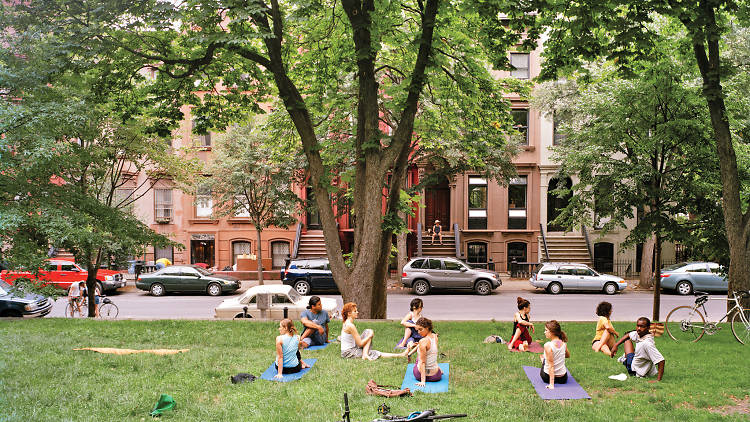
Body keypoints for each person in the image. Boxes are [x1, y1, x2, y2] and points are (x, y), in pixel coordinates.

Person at [340, 302, 407, 360]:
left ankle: (365, 354)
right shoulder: (350, 326)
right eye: (355, 311)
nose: (357, 312)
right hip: (349, 353)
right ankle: (400, 355)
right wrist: (369, 336)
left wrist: (369, 334)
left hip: (350, 348)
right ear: (349, 313)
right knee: (375, 352)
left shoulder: (347, 322)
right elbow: (360, 343)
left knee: (368, 331)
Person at [610, 317, 665, 382]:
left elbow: (661, 361)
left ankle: (625, 359)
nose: (639, 328)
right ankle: (625, 358)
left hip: (634, 370)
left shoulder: (647, 344)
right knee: (627, 337)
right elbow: (628, 335)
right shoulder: (639, 334)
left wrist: (658, 380)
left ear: (648, 328)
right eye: (638, 326)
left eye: (642, 326)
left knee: (627, 344)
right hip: (637, 362)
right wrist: (616, 345)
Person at [539, 320, 570, 389]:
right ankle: (545, 358)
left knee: (544, 358)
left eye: (546, 330)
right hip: (562, 378)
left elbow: (551, 365)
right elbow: (568, 356)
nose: (544, 332)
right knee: (549, 357)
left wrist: (551, 384)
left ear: (552, 332)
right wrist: (560, 355)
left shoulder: (548, 345)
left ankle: (543, 359)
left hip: (547, 377)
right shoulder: (563, 343)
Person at [412, 317, 442, 386]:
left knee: (419, 358)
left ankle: (424, 378)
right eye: (417, 330)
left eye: (420, 329)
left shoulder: (422, 341)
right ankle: (438, 368)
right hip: (436, 376)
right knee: (430, 354)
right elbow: (433, 354)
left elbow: (423, 362)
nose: (419, 332)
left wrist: (423, 381)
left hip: (419, 375)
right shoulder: (435, 337)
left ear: (427, 327)